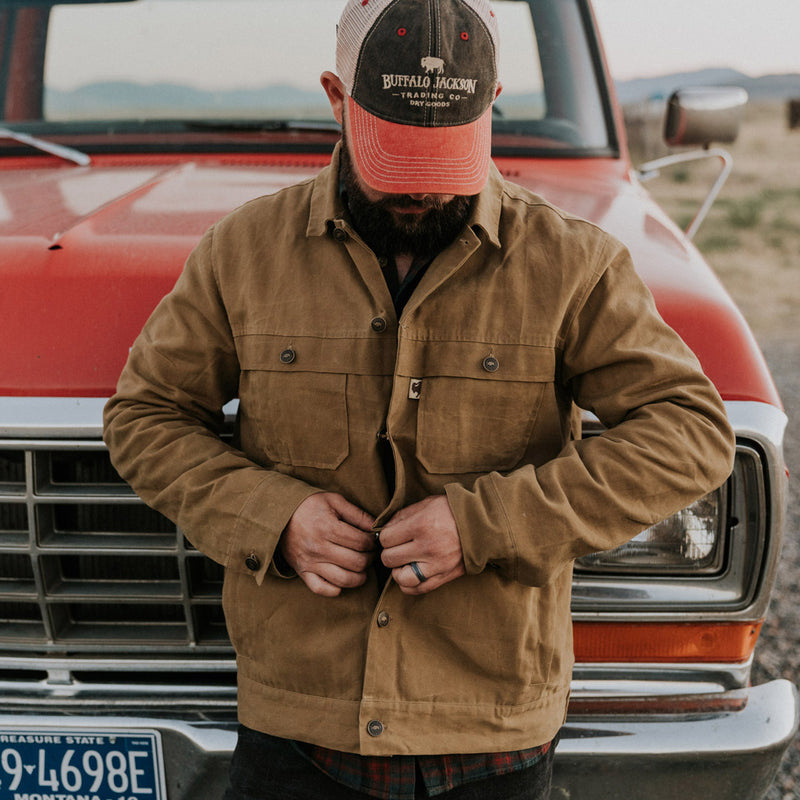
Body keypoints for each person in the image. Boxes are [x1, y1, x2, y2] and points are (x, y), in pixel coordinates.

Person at [103, 0, 736, 797]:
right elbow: (144, 416)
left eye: (442, 157)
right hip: (297, 733)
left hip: (495, 738)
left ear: (491, 103)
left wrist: (483, 523)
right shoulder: (241, 252)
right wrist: (272, 517)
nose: (420, 195)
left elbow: (691, 433)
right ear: (337, 98)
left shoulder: (576, 266)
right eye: (395, 155)